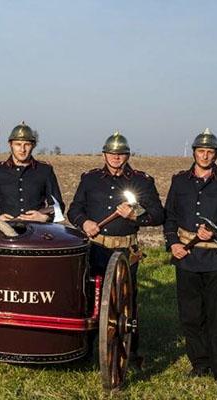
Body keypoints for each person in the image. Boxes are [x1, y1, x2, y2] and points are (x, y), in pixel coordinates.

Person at [67, 131, 164, 367]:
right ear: (104, 154)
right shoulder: (90, 179)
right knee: (92, 299)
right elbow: (74, 210)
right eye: (112, 153)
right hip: (97, 249)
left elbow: (158, 215)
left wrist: (135, 215)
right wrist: (84, 223)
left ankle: (129, 354)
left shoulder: (142, 181)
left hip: (126, 252)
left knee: (126, 302)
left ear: (127, 155)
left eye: (121, 154)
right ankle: (86, 352)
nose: (116, 158)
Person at [163, 128, 217, 389]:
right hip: (187, 258)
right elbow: (170, 217)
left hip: (216, 259)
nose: (205, 155)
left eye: (210, 152)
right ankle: (200, 364)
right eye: (201, 151)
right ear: (194, 153)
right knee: (191, 315)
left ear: (216, 154)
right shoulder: (179, 181)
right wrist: (173, 243)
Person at [0, 121, 64, 221]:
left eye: (27, 144)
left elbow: (58, 205)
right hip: (5, 231)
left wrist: (45, 217)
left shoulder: (45, 171)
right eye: (18, 144)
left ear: (33, 145)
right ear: (10, 144)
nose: (22, 149)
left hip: (37, 230)